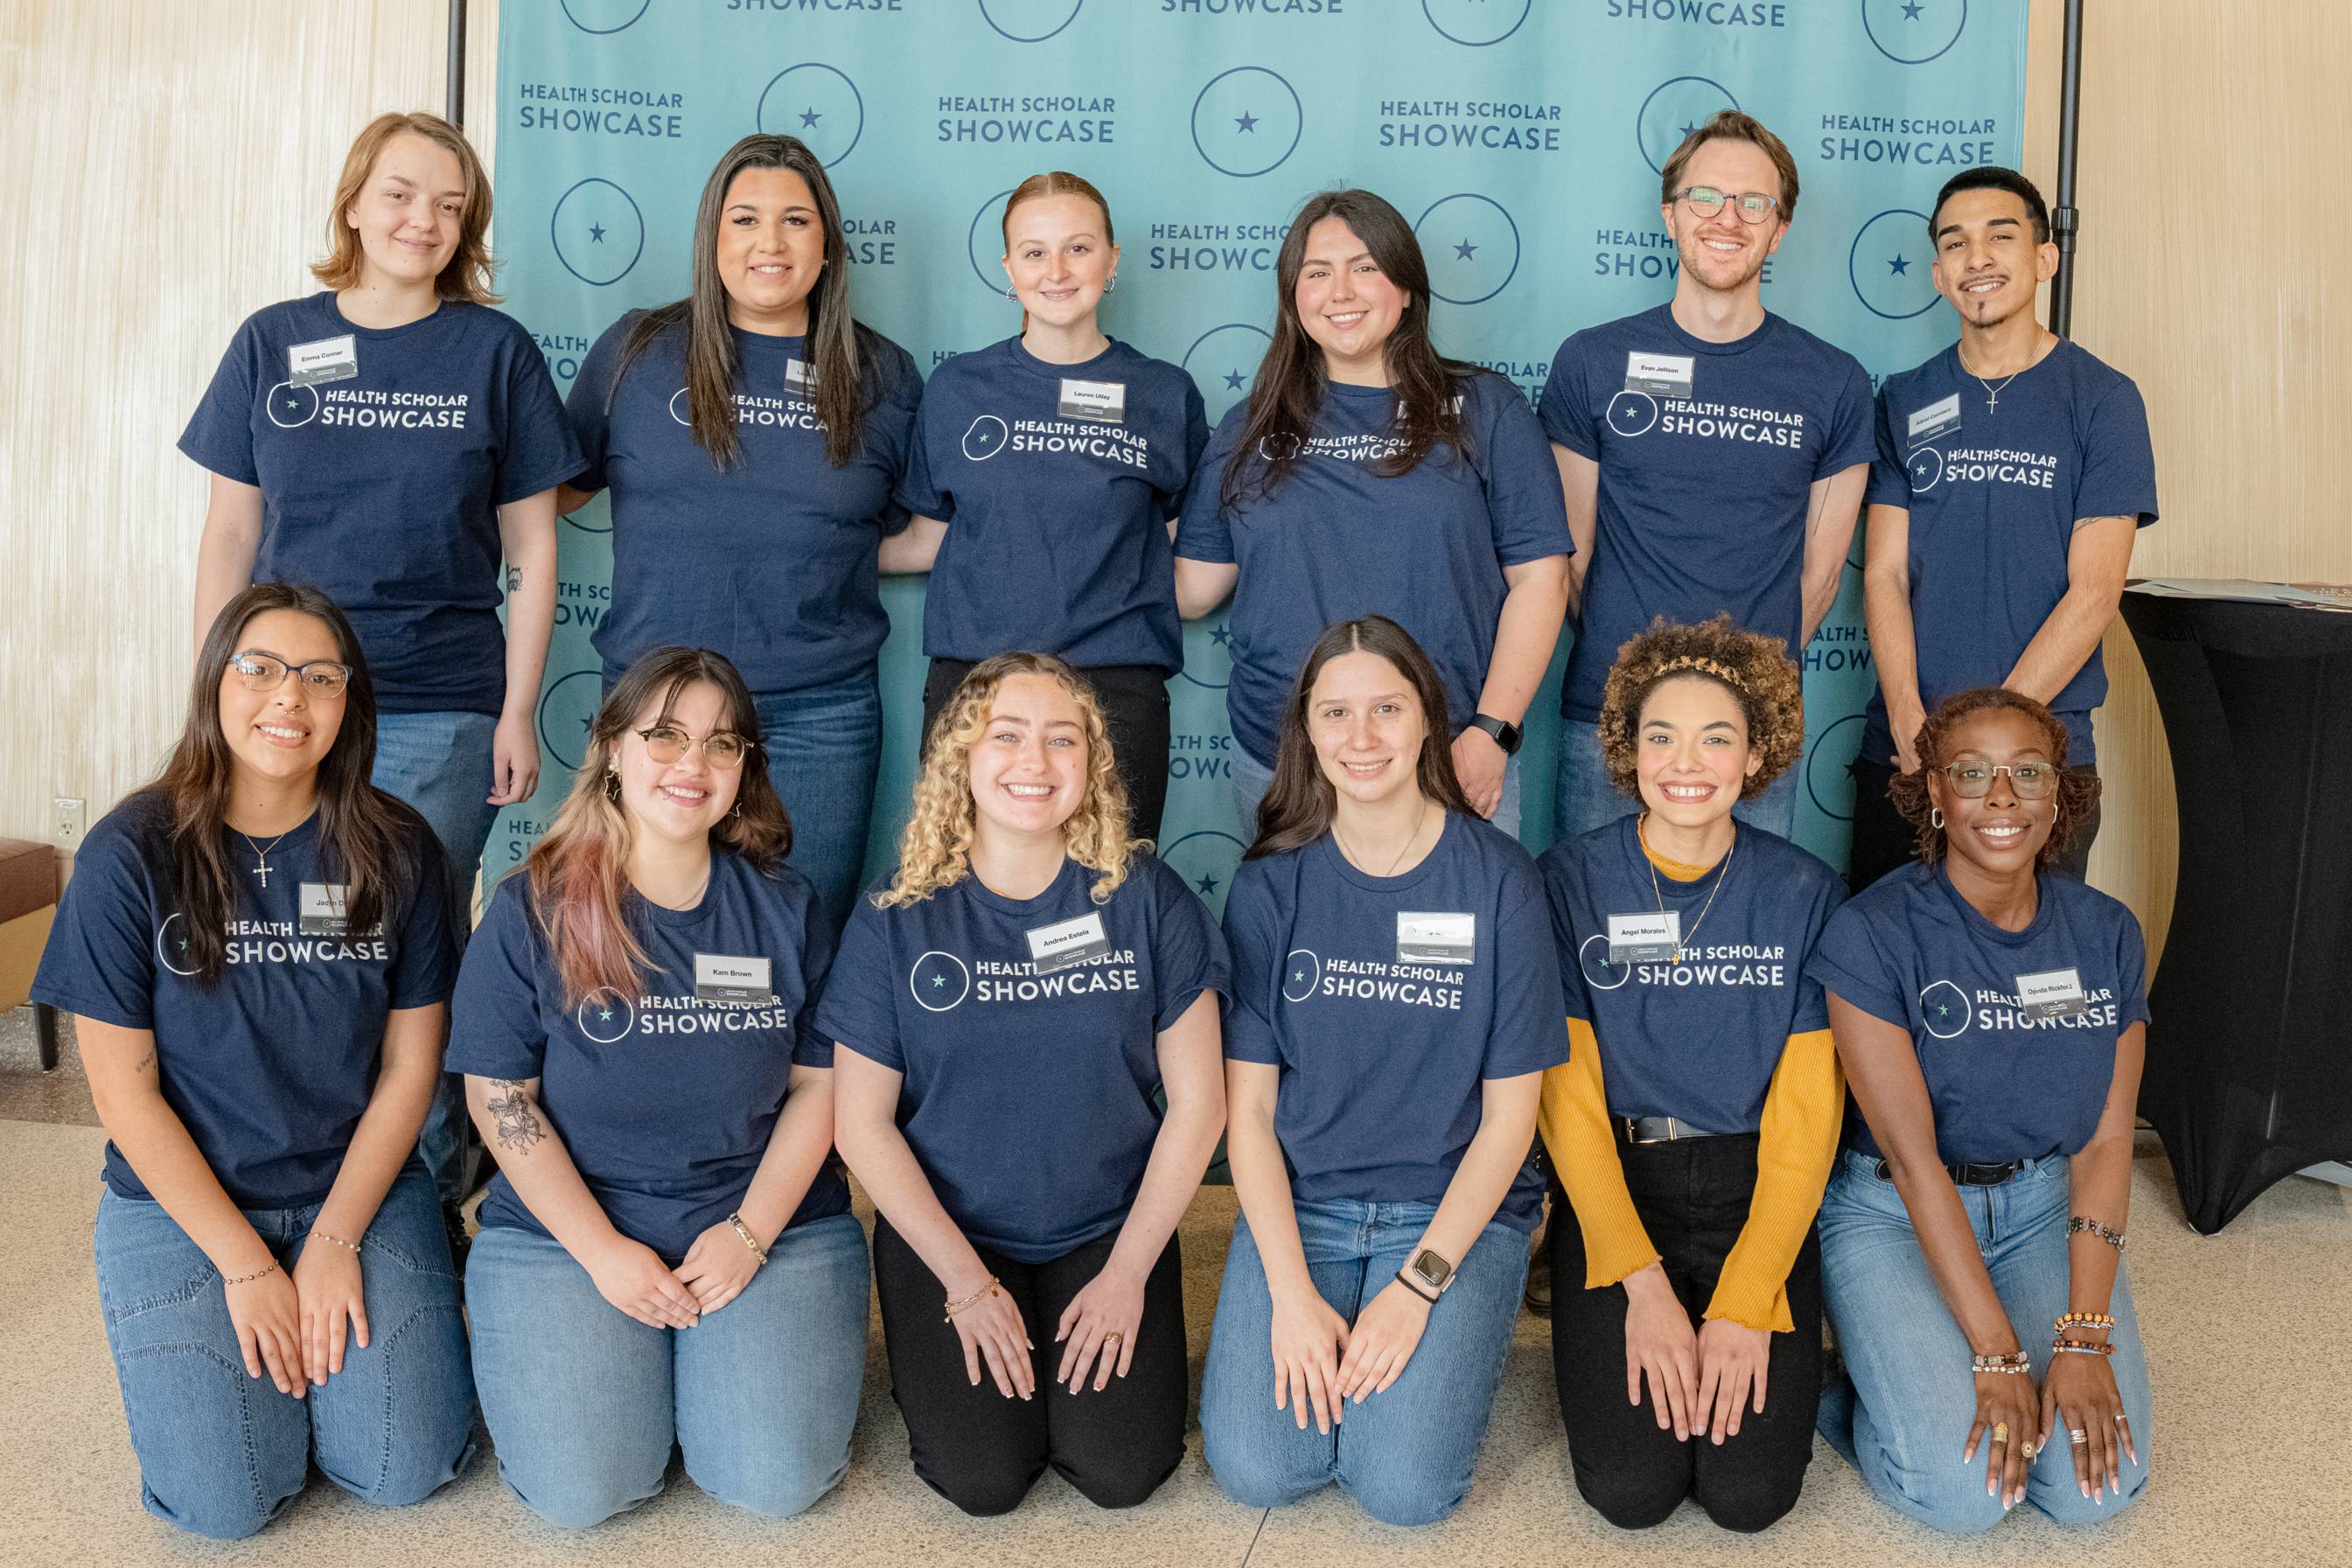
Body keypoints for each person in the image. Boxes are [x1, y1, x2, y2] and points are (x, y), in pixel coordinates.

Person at [182, 111, 580, 1224]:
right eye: (403, 194)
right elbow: (228, 536)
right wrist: (218, 689)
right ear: (354, 201)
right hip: (278, 703)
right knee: (278, 944)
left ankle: (419, 1211)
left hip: (438, 706)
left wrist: (515, 709)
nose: (426, 220)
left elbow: (536, 548)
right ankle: (282, 1183)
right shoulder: (272, 339)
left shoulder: (494, 353)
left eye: (451, 206)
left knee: (411, 954)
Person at [33, 583, 473, 1539]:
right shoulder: (131, 851)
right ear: (215, 681)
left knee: (404, 1467)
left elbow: (412, 1067)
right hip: (183, 1206)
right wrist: (244, 1263)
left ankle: (343, 1366)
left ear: (349, 701)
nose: (289, 698)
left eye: (320, 676)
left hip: (354, 1188)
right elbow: (121, 1087)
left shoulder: (400, 847)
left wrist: (332, 1239)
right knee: (224, 1503)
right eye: (261, 668)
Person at [446, 646, 862, 1529]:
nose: (692, 763)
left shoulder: (786, 908)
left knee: (772, 1478)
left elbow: (819, 1088)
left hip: (763, 1218)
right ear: (609, 750)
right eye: (664, 734)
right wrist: (601, 1250)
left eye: (722, 743)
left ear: (745, 769)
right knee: (582, 1491)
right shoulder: (530, 907)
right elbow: (502, 1099)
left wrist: (749, 1234)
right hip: (567, 1232)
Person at [820, 652, 1227, 1516]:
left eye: (1060, 738)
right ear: (962, 757)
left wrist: (1126, 1273)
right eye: (1005, 735)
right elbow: (861, 1126)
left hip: (1106, 1228)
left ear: (1093, 762)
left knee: (1120, 1470)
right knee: (982, 1479)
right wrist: (964, 1284)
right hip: (952, 1229)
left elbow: (1199, 1105)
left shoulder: (1146, 896)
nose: (1033, 761)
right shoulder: (894, 915)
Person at [1198, 617, 1567, 1527]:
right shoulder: (1270, 886)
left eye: (1386, 709)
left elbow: (1510, 1121)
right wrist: (1288, 1289)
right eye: (1336, 713)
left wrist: (1417, 1286)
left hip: (1452, 1214)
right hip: (1307, 1207)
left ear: (1428, 720)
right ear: (1308, 732)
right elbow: (1248, 1114)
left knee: (1402, 1488)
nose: (1361, 737)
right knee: (1260, 1468)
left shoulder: (1500, 879)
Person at [1810, 687, 2152, 1531]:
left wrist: (2079, 1337)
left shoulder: (2106, 931)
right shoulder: (1871, 931)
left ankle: (1932, 1362)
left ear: (2058, 791)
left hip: (2040, 1207)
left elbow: (2108, 1143)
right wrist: (1997, 1354)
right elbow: (1913, 1155)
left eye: (2025, 772)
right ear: (1933, 791)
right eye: (1971, 773)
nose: (2000, 797)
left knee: (2090, 1489)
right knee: (1961, 1496)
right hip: (1891, 1207)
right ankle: (1853, 1385)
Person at [559, 134, 922, 928]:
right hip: (652, 708)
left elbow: (918, 533)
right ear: (710, 239)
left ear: (827, 244)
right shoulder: (637, 351)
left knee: (804, 940)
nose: (770, 242)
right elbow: (550, 497)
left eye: (796, 220)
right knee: (633, 935)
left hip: (818, 714)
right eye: (745, 218)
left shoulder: (881, 374)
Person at [1535, 616, 1845, 1532]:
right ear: (1627, 751)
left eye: (1718, 737)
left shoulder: (1803, 890)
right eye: (1660, 734)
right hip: (1618, 1193)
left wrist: (1751, 1297)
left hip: (1758, 1191)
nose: (1687, 760)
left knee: (1749, 1497)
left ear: (1757, 756)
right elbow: (1568, 1102)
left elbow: (1807, 1115)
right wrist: (1639, 1282)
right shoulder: (1567, 881)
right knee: (1630, 1491)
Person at [1173, 190, 1572, 840]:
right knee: (1292, 943)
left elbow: (1541, 581)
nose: (1341, 291)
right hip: (1281, 762)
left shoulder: (1484, 407)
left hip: (1447, 758)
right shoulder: (1247, 428)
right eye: (1318, 272)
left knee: (1460, 942)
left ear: (1408, 288)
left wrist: (1490, 734)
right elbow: (1192, 589)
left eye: (1364, 267)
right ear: (1292, 296)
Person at [1542, 110, 1873, 840]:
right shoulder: (1591, 362)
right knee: (1593, 936)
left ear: (1778, 228)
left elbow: (1817, 581)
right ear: (1669, 215)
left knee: (1738, 948)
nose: (1728, 218)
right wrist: (1640, 681)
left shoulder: (1834, 382)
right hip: (1609, 719)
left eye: (1753, 203)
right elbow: (1570, 558)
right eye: (1705, 198)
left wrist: (1738, 694)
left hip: (1753, 731)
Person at [1849, 168, 2159, 892]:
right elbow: (1885, 573)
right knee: (1882, 978)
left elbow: (2093, 591)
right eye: (1955, 243)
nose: (1976, 257)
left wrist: (1988, 744)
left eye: (2000, 235)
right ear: (1937, 272)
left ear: (2044, 258)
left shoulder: (2103, 400)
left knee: (2019, 985)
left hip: (2039, 757)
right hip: (1903, 755)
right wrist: (1907, 722)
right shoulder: (1903, 399)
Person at [881, 172, 1207, 840]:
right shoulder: (958, 388)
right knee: (958, 891)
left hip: (1115, 691)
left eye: (1078, 249)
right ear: (1008, 268)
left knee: (1112, 897)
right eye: (1034, 252)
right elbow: (925, 539)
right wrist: (796, 544)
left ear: (1112, 260)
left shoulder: (1163, 394)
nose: (1056, 271)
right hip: (975, 690)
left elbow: (1182, 560)